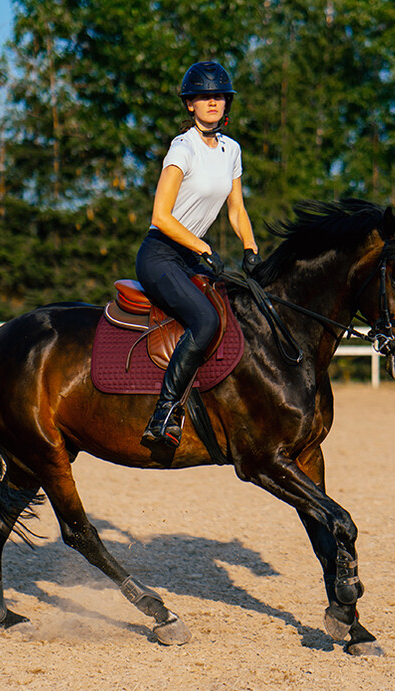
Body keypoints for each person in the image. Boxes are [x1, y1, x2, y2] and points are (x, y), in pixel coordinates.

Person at [138, 60, 261, 447]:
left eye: (219, 96)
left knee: (239, 312)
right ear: (189, 104)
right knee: (206, 322)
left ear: (227, 104)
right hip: (160, 255)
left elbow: (236, 209)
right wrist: (203, 246)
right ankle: (165, 413)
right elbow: (161, 214)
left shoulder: (231, 151)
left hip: (191, 255)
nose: (213, 102)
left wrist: (251, 248)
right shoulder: (183, 148)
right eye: (204, 96)